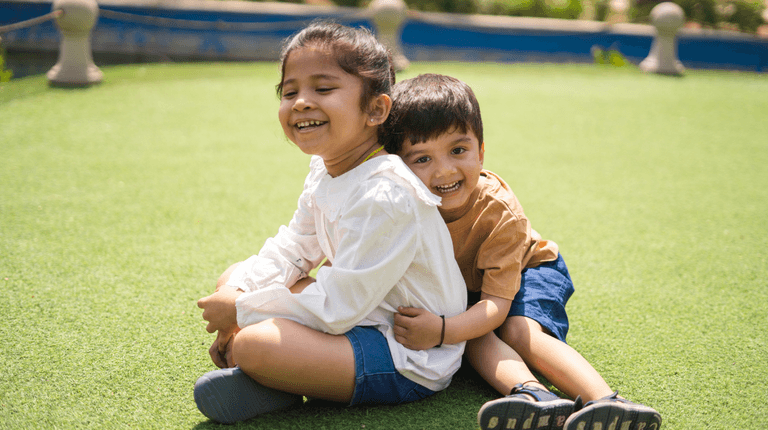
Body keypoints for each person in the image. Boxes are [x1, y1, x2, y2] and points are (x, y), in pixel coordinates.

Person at [193, 24, 467, 425]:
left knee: (253, 344)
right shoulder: (325, 167)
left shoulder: (385, 195)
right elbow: (296, 246)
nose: (301, 102)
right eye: (290, 92)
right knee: (235, 276)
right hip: (361, 312)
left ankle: (270, 373)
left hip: (404, 351)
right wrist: (240, 294)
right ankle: (279, 381)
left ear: (375, 110)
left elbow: (338, 309)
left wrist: (241, 312)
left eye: (323, 89)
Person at [381, 74, 661, 430]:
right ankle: (535, 397)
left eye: (458, 150)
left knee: (517, 331)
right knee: (472, 334)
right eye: (422, 159)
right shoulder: (395, 204)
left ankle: (608, 401)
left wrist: (439, 331)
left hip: (531, 268)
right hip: (468, 288)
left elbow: (495, 307)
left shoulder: (498, 211)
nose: (445, 170)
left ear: (480, 151)